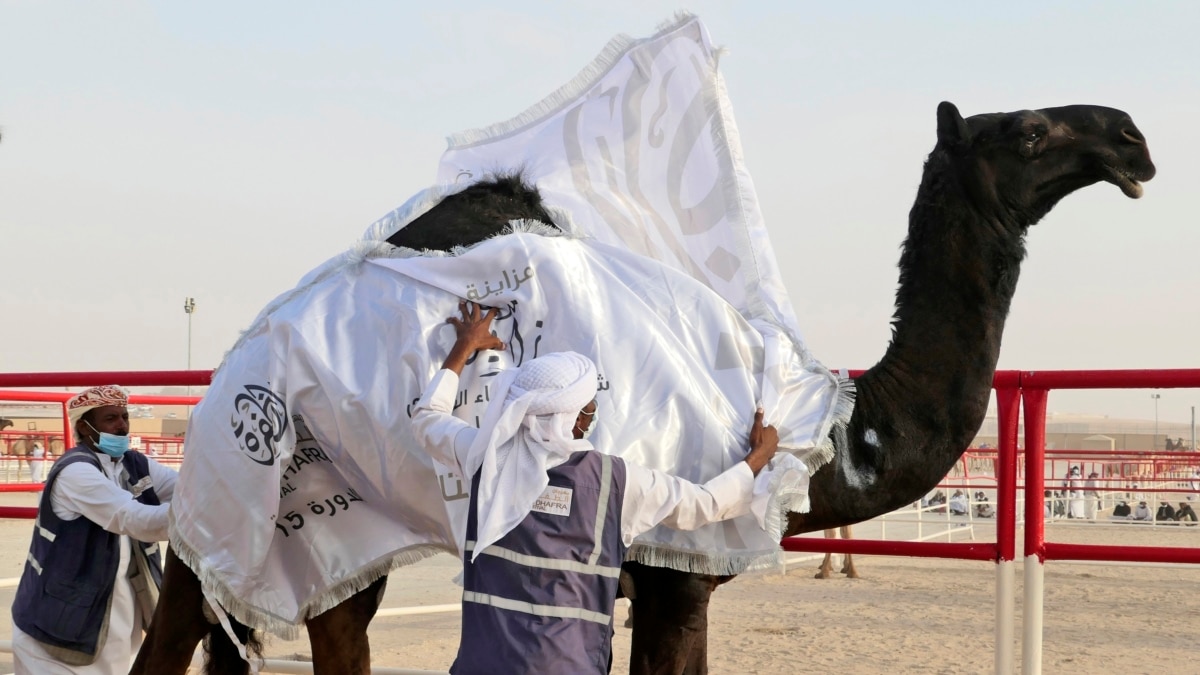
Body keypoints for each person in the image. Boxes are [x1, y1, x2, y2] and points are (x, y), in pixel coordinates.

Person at [411, 303, 782, 674]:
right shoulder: (617, 484)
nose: (592, 412)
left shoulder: (482, 458)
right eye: (589, 405)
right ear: (574, 416)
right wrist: (757, 459)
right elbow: (705, 504)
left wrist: (464, 346)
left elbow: (427, 418)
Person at [10, 385, 177, 674]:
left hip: (118, 612)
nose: (122, 425)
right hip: (61, 619)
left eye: (125, 417)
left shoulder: (133, 464)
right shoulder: (76, 471)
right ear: (84, 427)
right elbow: (133, 519)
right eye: (111, 418)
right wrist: (202, 516)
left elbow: (186, 489)